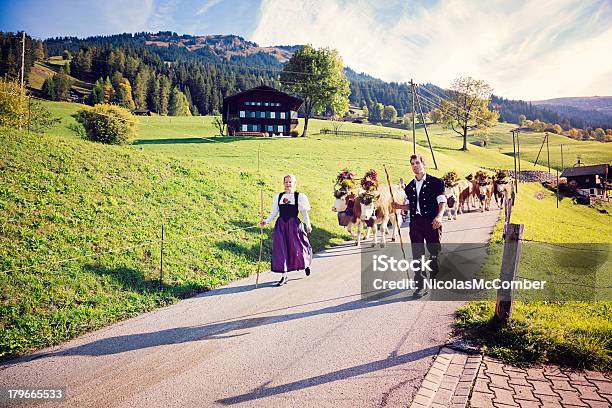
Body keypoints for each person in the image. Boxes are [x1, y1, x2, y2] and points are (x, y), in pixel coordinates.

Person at [392, 154, 446, 298]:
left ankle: (434, 272)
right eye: (412, 164)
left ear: (423, 164)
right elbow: (411, 205)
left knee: (434, 252)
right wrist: (399, 206)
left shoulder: (436, 182)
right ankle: (420, 285)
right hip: (415, 224)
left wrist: (439, 216)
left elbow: (442, 201)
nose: (415, 166)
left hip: (432, 222)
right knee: (417, 254)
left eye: (417, 163)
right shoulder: (409, 187)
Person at [260, 174, 313, 286]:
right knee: (281, 248)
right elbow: (274, 212)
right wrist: (266, 221)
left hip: (294, 225)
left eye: (290, 182)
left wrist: (308, 225)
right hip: (281, 225)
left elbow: (304, 213)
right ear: (283, 183)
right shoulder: (278, 197)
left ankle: (306, 264)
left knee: (299, 247)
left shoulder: (299, 196)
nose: (288, 184)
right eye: (286, 182)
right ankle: (284, 274)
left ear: (294, 183)